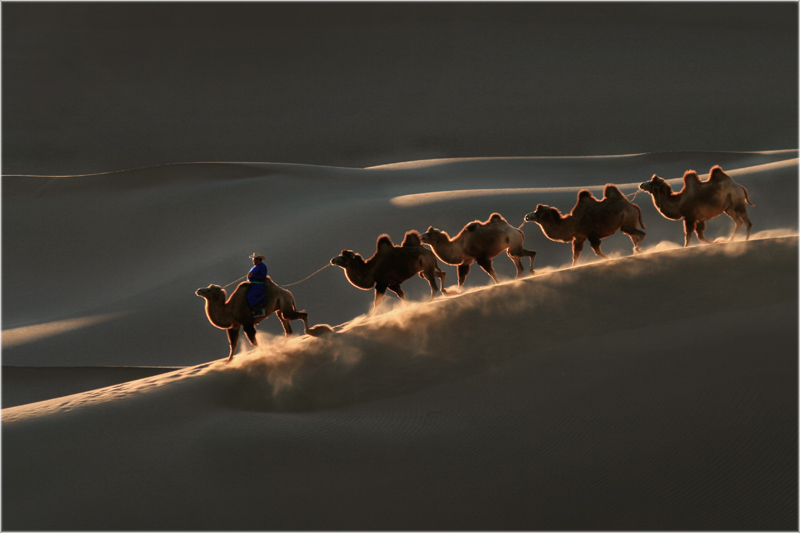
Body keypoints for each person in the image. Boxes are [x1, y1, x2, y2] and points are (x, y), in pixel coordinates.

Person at [247, 253, 268, 317]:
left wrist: (253, 276)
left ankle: (258, 311)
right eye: (253, 259)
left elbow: (262, 277)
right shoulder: (254, 267)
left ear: (258, 259)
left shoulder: (262, 266)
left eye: (254, 259)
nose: (253, 260)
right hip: (252, 285)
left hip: (258, 286)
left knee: (251, 296)